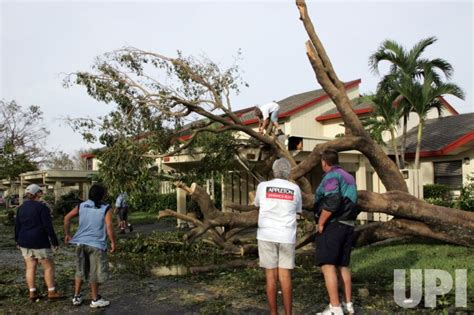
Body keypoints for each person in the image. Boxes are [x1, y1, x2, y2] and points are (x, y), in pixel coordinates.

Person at [254, 158, 302, 315]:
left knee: (270, 276)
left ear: (274, 171)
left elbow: (256, 204)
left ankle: (273, 313)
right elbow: (298, 210)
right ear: (288, 172)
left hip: (266, 235)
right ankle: (289, 313)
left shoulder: (262, 186)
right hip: (287, 235)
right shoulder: (295, 189)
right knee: (285, 275)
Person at [314, 149, 357, 315]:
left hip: (334, 224)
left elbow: (332, 201)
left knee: (328, 265)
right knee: (343, 265)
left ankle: (335, 308)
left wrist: (321, 222)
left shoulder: (332, 176)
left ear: (324, 162)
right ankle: (348, 305)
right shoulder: (348, 176)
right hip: (348, 225)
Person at [64, 184, 116, 308]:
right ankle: (95, 299)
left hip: (80, 243)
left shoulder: (81, 205)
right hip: (96, 245)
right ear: (102, 195)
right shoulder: (106, 208)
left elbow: (67, 218)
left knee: (80, 270)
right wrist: (113, 241)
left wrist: (67, 234)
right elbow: (109, 226)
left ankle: (76, 297)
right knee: (94, 272)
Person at [14, 184, 63, 301]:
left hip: (24, 241)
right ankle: (51, 292)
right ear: (37, 194)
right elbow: (48, 227)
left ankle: (32, 293)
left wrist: (17, 240)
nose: (42, 193)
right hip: (39, 241)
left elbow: (17, 226)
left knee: (30, 267)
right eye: (40, 192)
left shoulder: (20, 208)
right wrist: (55, 242)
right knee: (48, 266)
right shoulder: (42, 208)